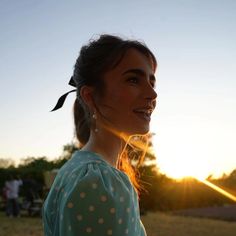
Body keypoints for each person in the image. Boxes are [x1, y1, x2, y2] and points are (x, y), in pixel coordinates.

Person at [43, 34, 157, 236]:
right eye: (133, 80)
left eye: (151, 81)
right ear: (90, 96)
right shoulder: (99, 182)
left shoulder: (78, 169)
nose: (152, 94)